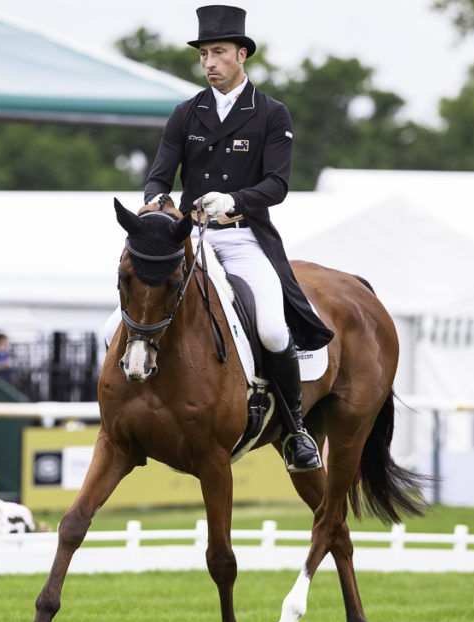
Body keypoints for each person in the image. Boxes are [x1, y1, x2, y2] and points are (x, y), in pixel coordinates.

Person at [140, 5, 333, 472]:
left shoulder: (270, 113)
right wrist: (154, 200)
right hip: (192, 240)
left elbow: (278, 185)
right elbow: (159, 174)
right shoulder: (186, 113)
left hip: (244, 236)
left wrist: (235, 200)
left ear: (241, 55)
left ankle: (296, 431)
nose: (209, 62)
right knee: (124, 319)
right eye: (204, 53)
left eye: (219, 53)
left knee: (270, 327)